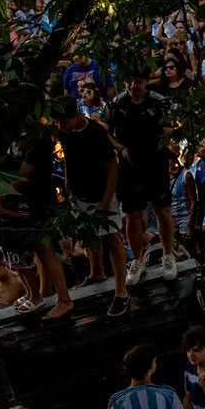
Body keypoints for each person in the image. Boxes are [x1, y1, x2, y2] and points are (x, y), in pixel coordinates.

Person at [53, 96, 131, 316]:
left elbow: (113, 167)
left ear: (75, 115)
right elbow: (68, 156)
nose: (61, 127)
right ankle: (96, 272)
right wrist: (68, 179)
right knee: (88, 235)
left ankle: (121, 291)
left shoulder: (96, 132)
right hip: (79, 193)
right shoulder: (64, 133)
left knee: (111, 239)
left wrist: (106, 201)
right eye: (58, 124)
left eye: (64, 122)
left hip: (101, 191)